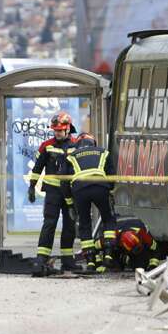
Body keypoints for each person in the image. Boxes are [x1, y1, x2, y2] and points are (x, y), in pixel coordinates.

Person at [29, 111, 78, 276]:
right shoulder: (47, 145)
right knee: (49, 224)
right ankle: (42, 258)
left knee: (70, 225)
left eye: (60, 130)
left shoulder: (77, 145)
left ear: (68, 129)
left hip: (71, 193)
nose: (56, 133)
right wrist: (31, 186)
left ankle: (68, 260)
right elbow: (37, 168)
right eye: (55, 130)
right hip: (53, 192)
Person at [62, 133, 116, 273]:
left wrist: (70, 204)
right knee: (108, 219)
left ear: (78, 144)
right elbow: (112, 174)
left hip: (80, 191)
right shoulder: (104, 152)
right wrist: (109, 189)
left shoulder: (71, 156)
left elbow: (64, 182)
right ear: (93, 143)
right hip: (100, 187)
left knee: (84, 225)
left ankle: (91, 262)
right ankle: (109, 253)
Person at [95, 215, 160, 272]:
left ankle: (127, 260)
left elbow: (155, 248)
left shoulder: (142, 233)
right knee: (114, 267)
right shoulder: (112, 237)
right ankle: (122, 259)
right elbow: (93, 246)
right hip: (116, 226)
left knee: (140, 267)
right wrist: (99, 263)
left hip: (133, 223)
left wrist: (153, 266)